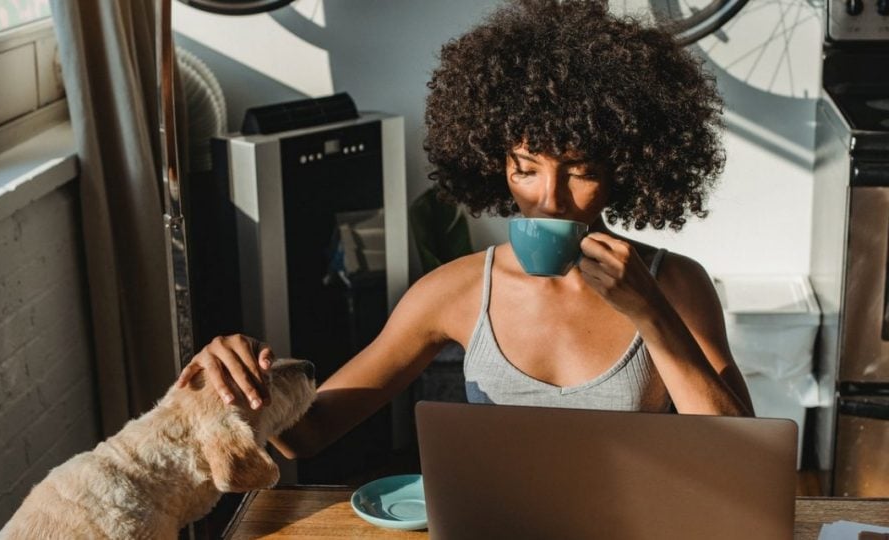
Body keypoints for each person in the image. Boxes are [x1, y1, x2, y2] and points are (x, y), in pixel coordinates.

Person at [177, 0, 753, 459]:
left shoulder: (672, 284)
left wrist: (651, 315)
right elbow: (309, 432)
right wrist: (245, 376)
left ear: (625, 171)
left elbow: (742, 457)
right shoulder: (453, 292)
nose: (548, 199)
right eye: (526, 170)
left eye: (580, 172)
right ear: (494, 160)